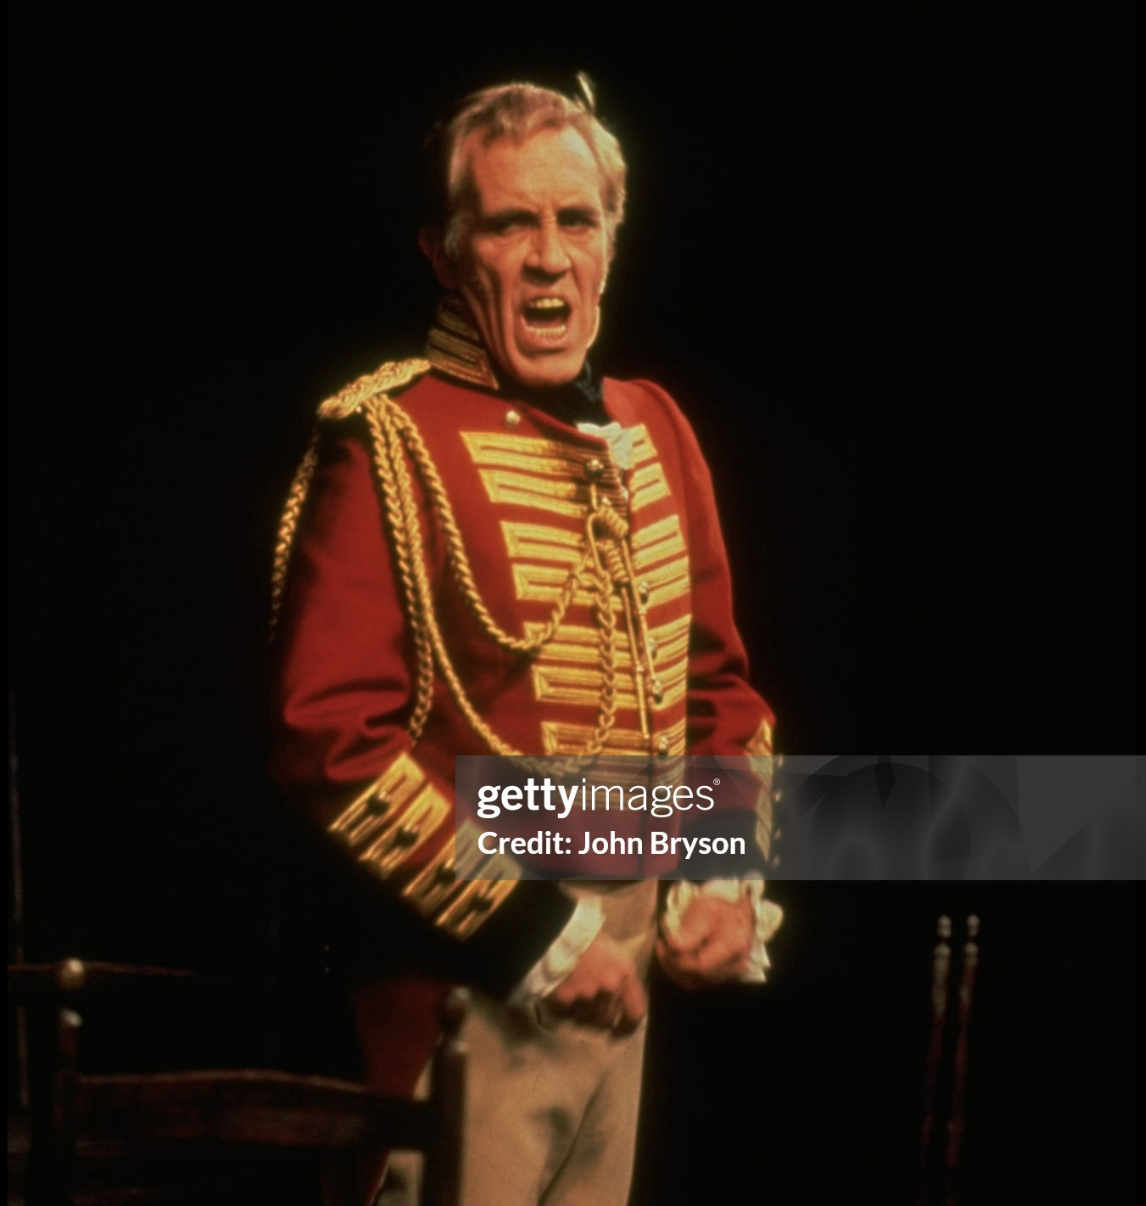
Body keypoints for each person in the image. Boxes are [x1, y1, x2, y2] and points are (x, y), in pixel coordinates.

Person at [269, 77, 781, 1206]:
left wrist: (721, 871)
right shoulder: (387, 440)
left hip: (631, 989)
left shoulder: (658, 428)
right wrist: (537, 934)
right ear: (449, 255)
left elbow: (719, 695)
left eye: (576, 221)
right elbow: (329, 746)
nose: (548, 257)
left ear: (611, 243)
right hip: (467, 1000)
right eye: (510, 223)